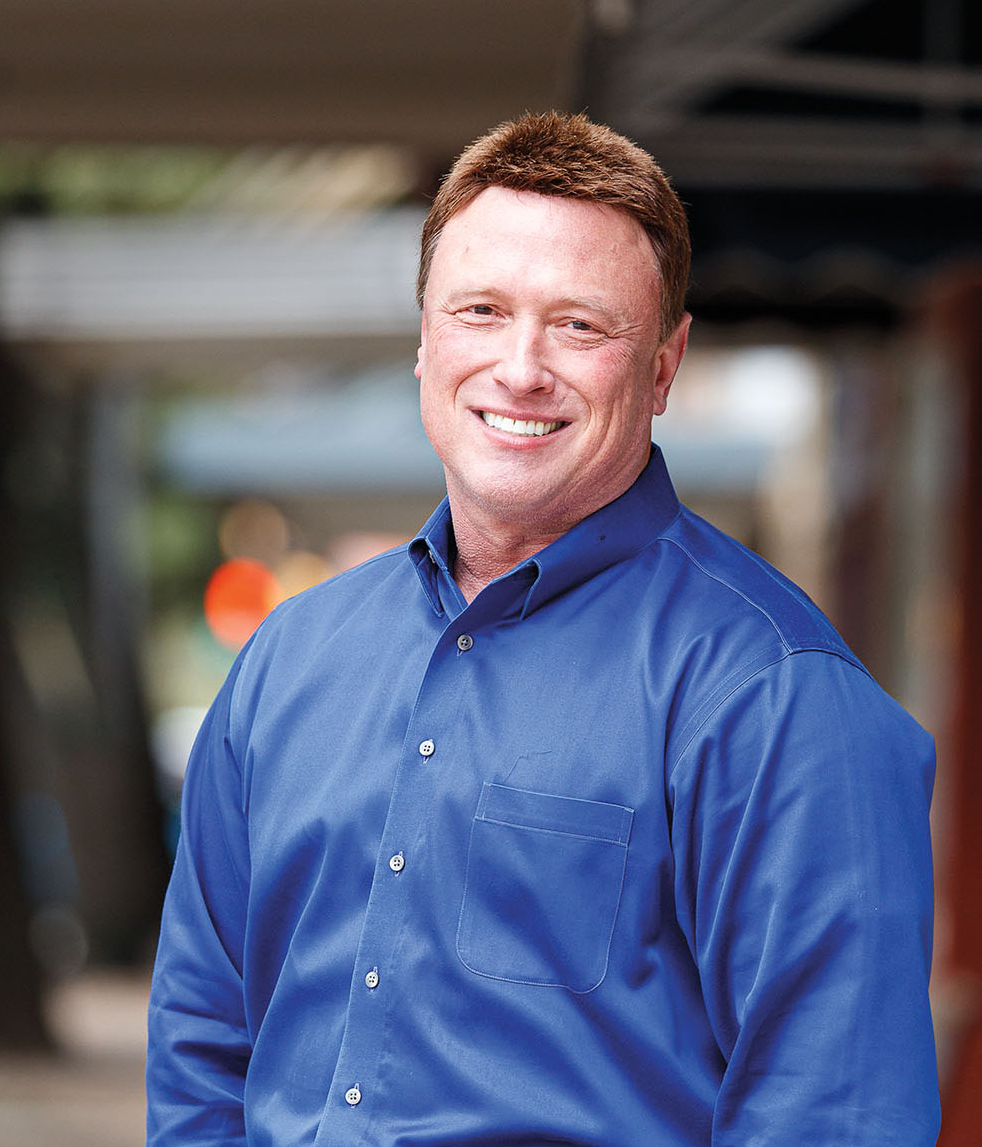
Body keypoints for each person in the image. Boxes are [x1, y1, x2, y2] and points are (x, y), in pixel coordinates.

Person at [146, 112, 940, 1146]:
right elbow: (203, 1038)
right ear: (424, 341)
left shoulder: (775, 697)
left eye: (578, 325)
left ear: (662, 365)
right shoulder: (287, 662)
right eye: (480, 310)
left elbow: (836, 1114)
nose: (520, 368)